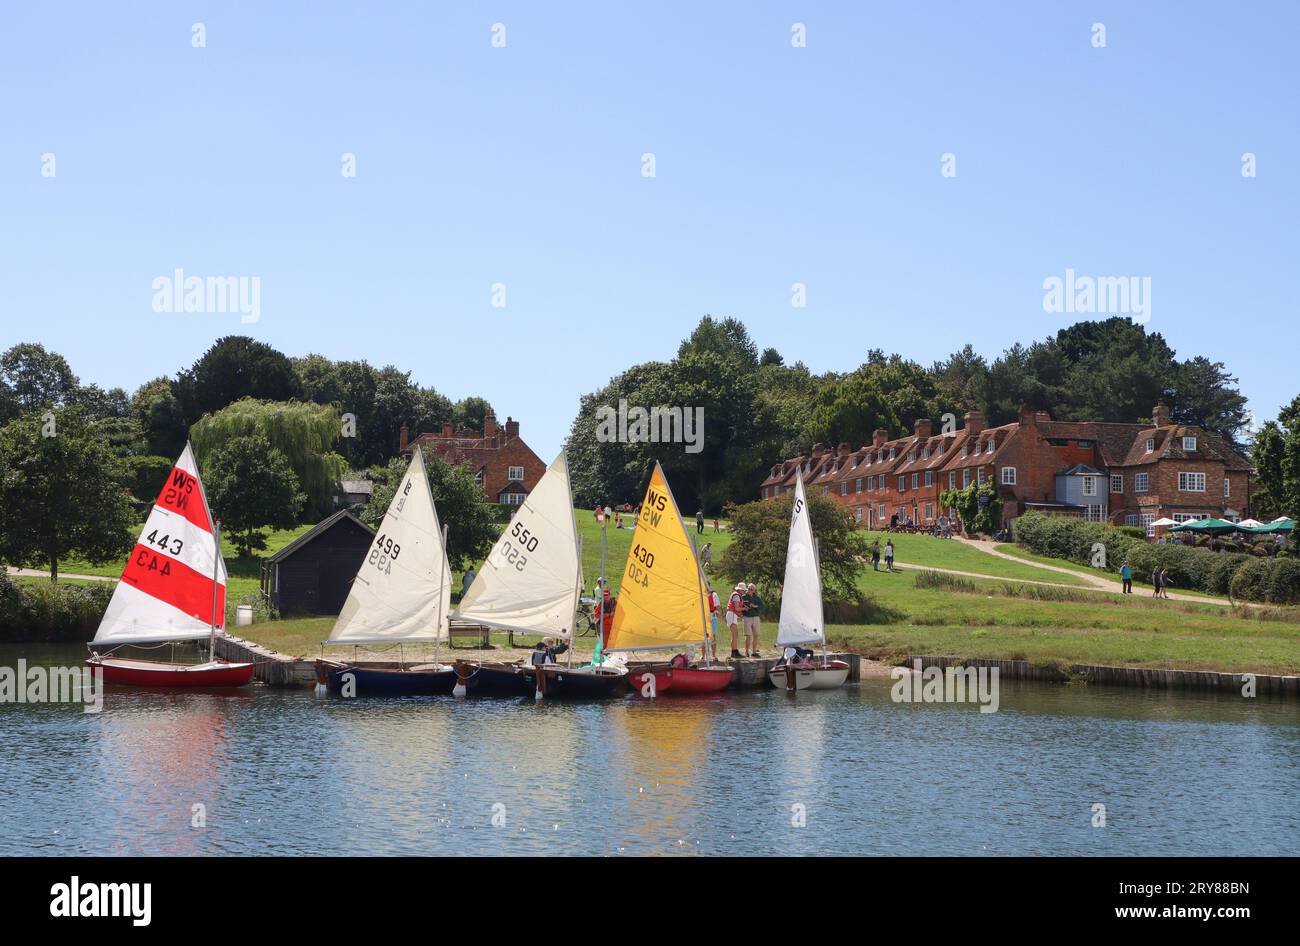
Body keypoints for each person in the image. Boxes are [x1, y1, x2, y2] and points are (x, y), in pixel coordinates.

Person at [743, 582, 764, 657]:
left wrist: (755, 606)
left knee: (756, 635)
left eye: (751, 589)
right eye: (748, 588)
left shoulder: (757, 598)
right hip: (747, 617)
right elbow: (743, 605)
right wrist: (749, 606)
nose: (749, 590)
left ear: (754, 590)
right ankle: (746, 652)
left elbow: (763, 606)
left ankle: (754, 652)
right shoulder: (744, 597)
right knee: (748, 635)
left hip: (756, 617)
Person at [726, 583, 745, 658]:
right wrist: (744, 609)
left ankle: (734, 651)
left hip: (732, 615)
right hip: (732, 614)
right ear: (740, 590)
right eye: (743, 590)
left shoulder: (736, 595)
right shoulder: (737, 596)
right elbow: (737, 608)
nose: (743, 592)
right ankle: (734, 652)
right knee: (735, 635)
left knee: (735, 635)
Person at [706, 582, 721, 661]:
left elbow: (717, 606)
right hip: (704, 617)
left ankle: (714, 655)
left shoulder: (713, 594)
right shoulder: (700, 594)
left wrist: (717, 611)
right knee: (703, 636)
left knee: (713, 636)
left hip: (712, 617)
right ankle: (703, 655)